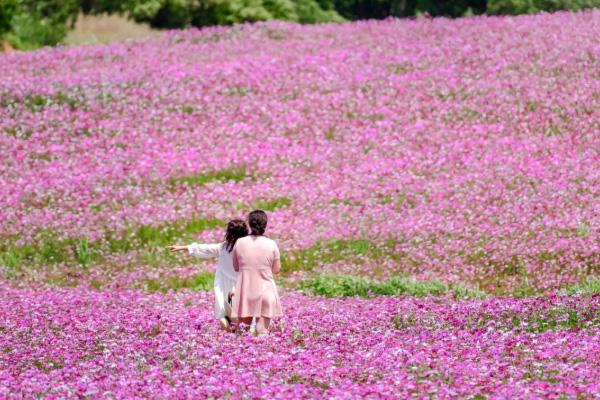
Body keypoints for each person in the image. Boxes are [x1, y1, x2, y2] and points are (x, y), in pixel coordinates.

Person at [167, 219, 248, 332]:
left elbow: (205, 248)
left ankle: (229, 328)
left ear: (229, 233)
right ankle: (237, 330)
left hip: (224, 283)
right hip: (240, 283)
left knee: (225, 309)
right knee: (240, 310)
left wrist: (184, 247)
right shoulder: (247, 249)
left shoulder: (224, 247)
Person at [231, 210, 282, 336]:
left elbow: (236, 267)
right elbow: (276, 270)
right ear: (265, 225)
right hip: (266, 291)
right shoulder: (271, 244)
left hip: (245, 293)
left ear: (249, 224)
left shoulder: (240, 242)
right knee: (262, 332)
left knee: (242, 332)